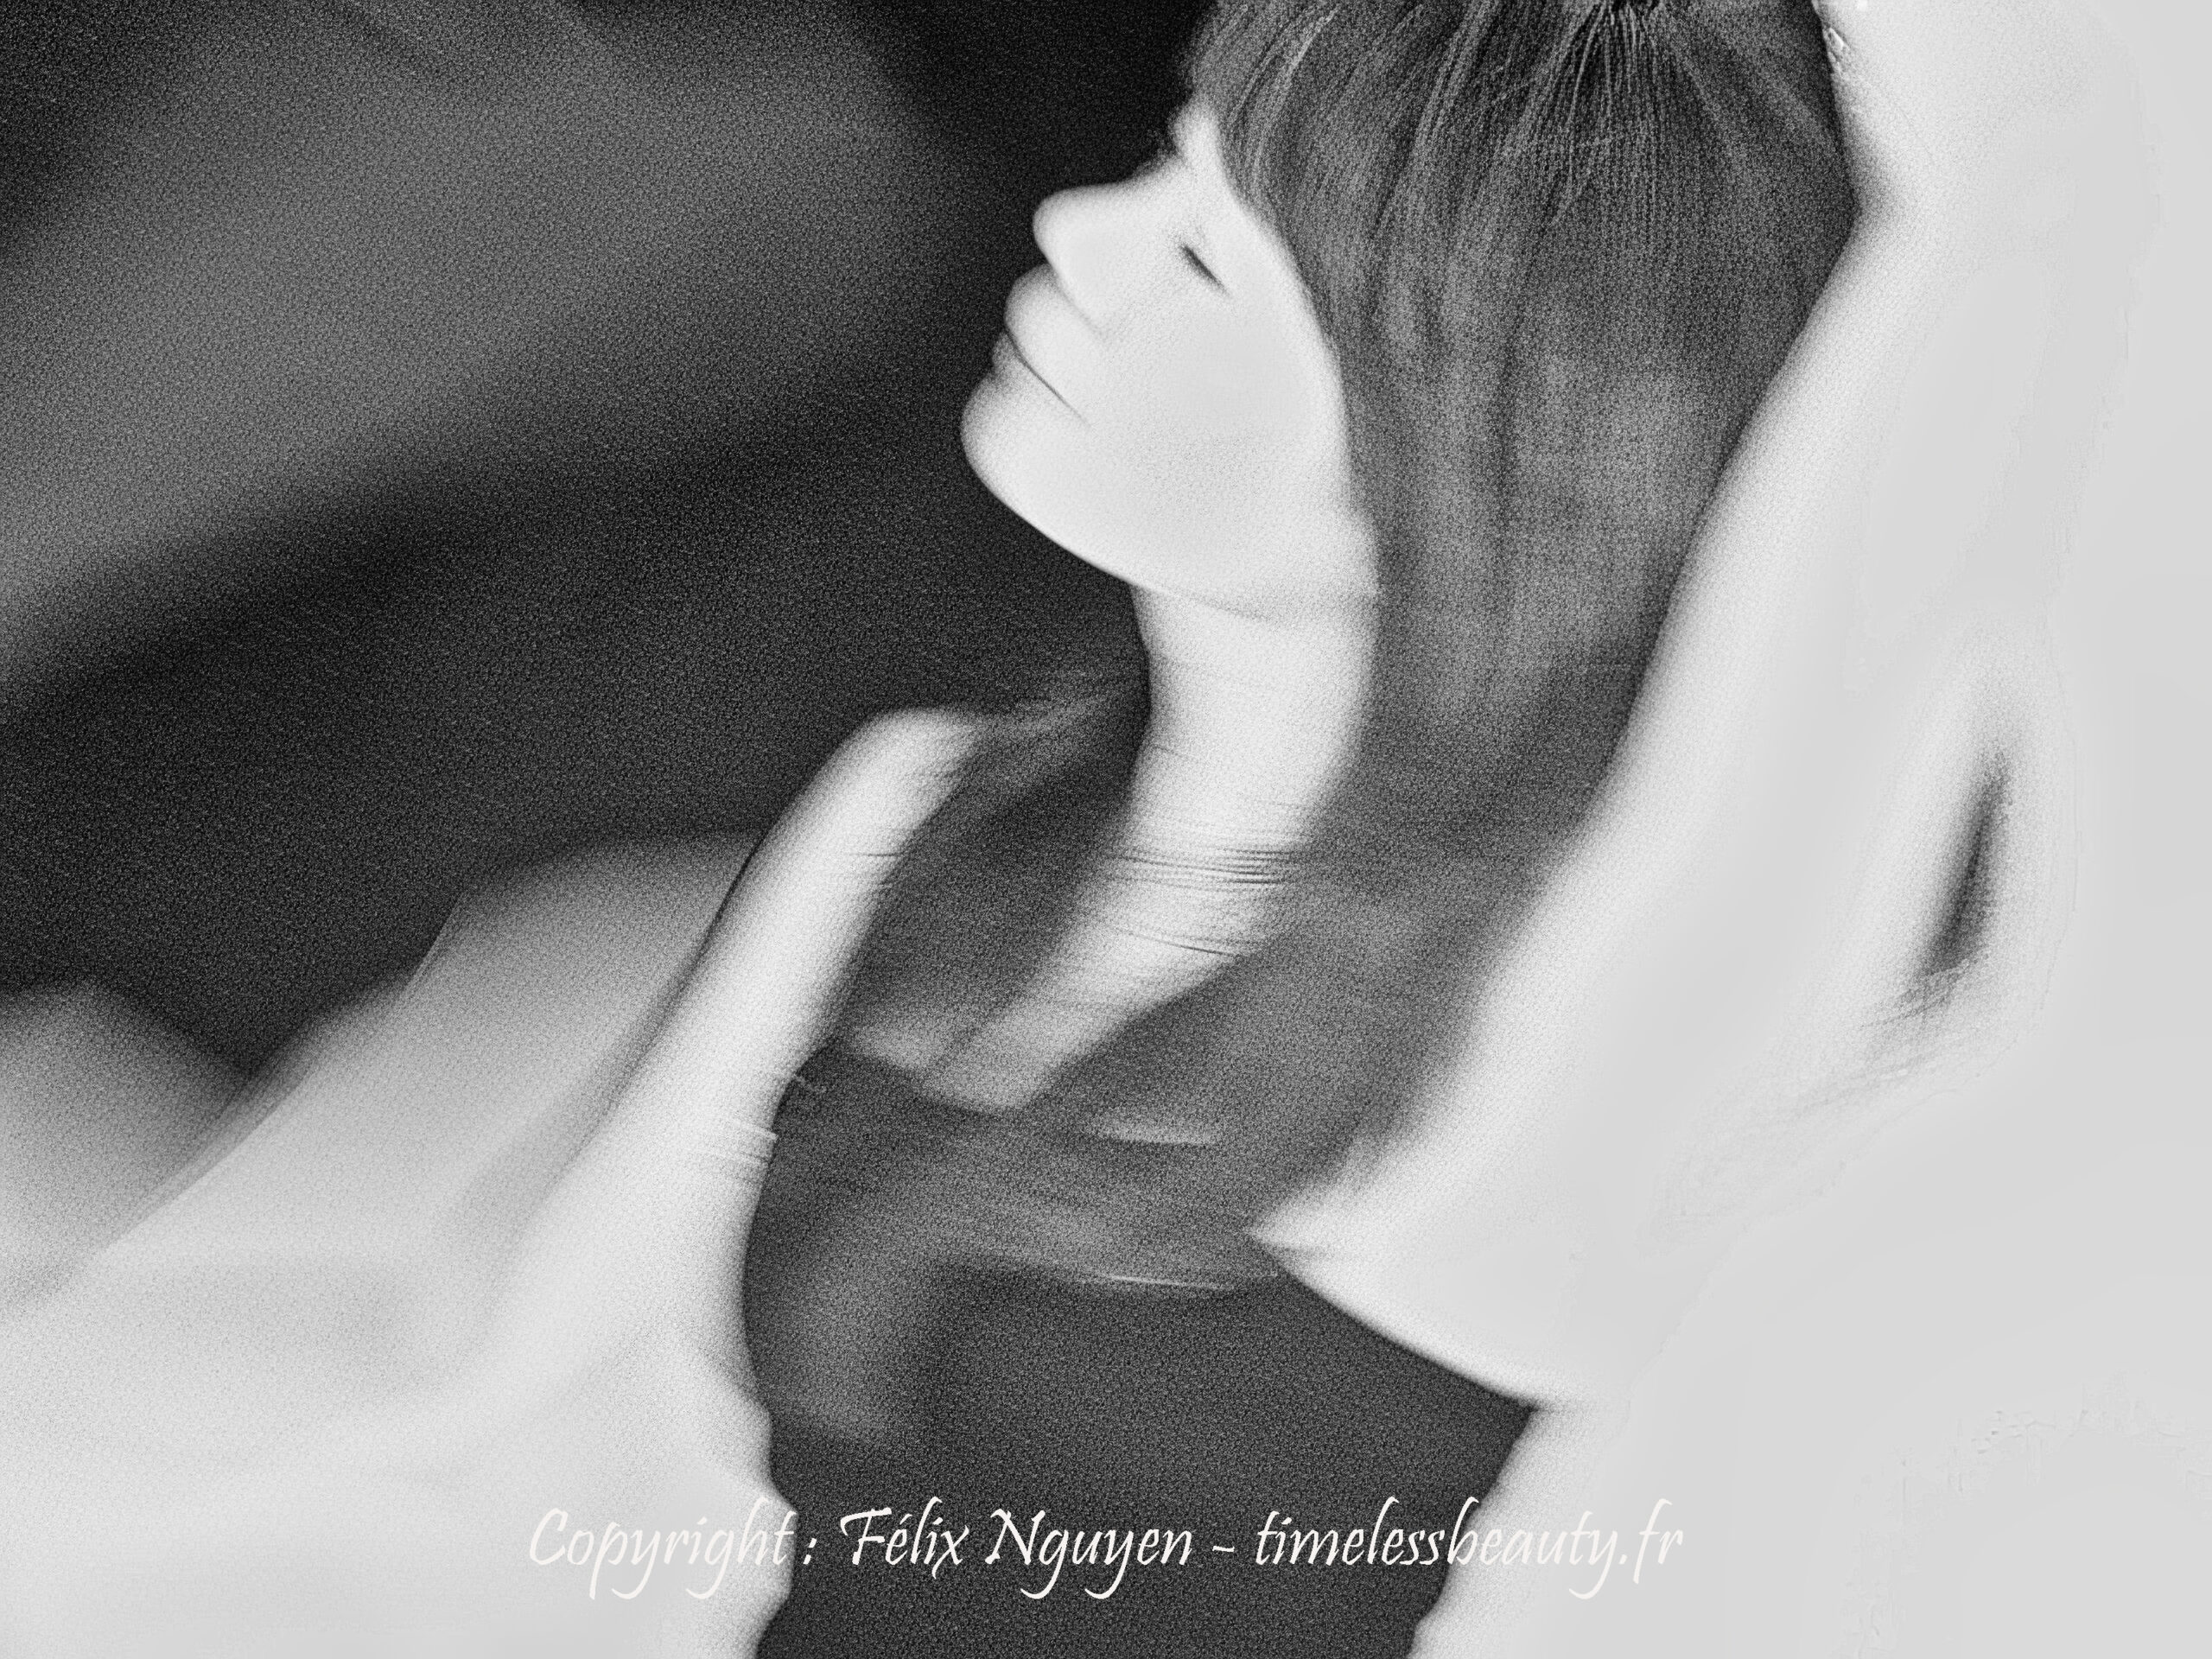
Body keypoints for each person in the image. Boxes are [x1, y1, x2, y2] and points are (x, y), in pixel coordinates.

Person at [3, 0, 2165, 1653]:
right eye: (1154, 169)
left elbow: (2012, 218)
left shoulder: (1560, 1069)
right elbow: (501, 1414)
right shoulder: (934, 817)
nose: (1076, 233)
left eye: (1205, 266)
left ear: (1451, 455)